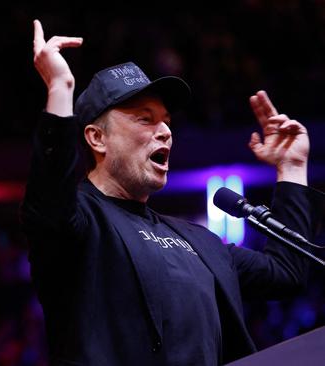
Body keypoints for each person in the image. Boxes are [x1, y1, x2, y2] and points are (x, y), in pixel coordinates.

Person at [19, 19, 323, 366]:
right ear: (97, 138)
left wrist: (293, 167)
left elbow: (286, 273)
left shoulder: (200, 242)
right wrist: (60, 87)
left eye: (166, 120)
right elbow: (49, 196)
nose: (165, 131)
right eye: (144, 119)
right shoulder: (79, 224)